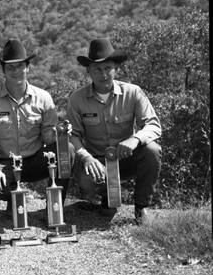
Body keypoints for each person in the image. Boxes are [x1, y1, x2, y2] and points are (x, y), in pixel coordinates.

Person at [66, 38, 162, 222]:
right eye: (97, 69)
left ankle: (141, 208)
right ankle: (108, 199)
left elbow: (153, 125)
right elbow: (74, 135)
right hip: (98, 163)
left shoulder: (133, 92)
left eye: (108, 68)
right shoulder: (77, 99)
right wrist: (87, 158)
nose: (104, 74)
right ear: (89, 71)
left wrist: (135, 140)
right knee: (86, 181)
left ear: (116, 68)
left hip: (127, 159)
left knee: (152, 150)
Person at [0, 39, 75, 213]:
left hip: (33, 162)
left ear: (28, 67)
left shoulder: (43, 98)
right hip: (4, 164)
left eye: (20, 66)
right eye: (10, 67)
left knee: (66, 149)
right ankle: (12, 195)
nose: (16, 71)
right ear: (3, 71)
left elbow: (47, 135)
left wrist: (59, 134)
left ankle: (55, 208)